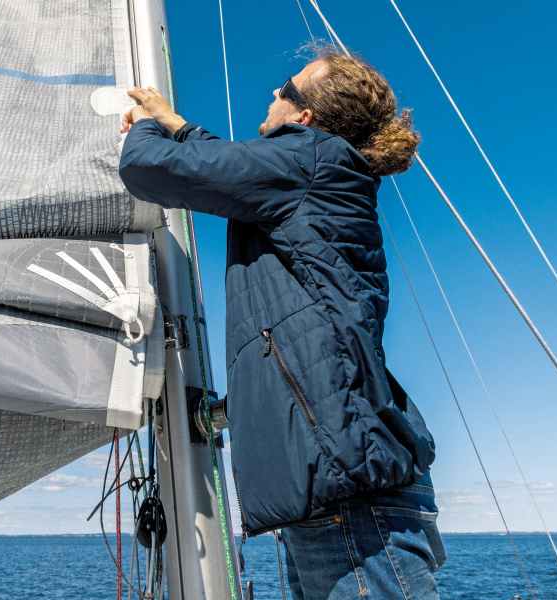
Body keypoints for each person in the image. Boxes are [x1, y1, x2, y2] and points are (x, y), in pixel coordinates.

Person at [118, 49, 446, 599]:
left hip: (348, 499)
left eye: (283, 89)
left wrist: (146, 129)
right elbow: (229, 164)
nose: (272, 95)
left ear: (304, 117)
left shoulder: (311, 160)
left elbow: (149, 169)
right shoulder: (312, 168)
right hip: (341, 491)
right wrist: (177, 125)